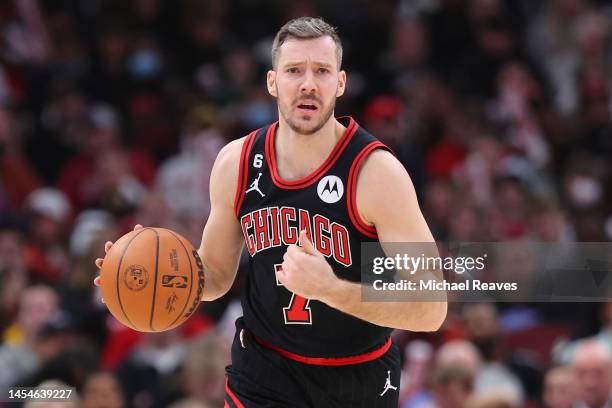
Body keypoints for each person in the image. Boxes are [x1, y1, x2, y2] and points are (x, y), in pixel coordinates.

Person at [94, 17, 446, 407]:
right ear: (272, 82)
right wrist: (144, 275)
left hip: (356, 377)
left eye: (322, 71)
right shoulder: (236, 163)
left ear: (341, 83)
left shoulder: (376, 173)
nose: (308, 83)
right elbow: (213, 277)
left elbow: (431, 307)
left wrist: (330, 289)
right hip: (263, 374)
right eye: (294, 70)